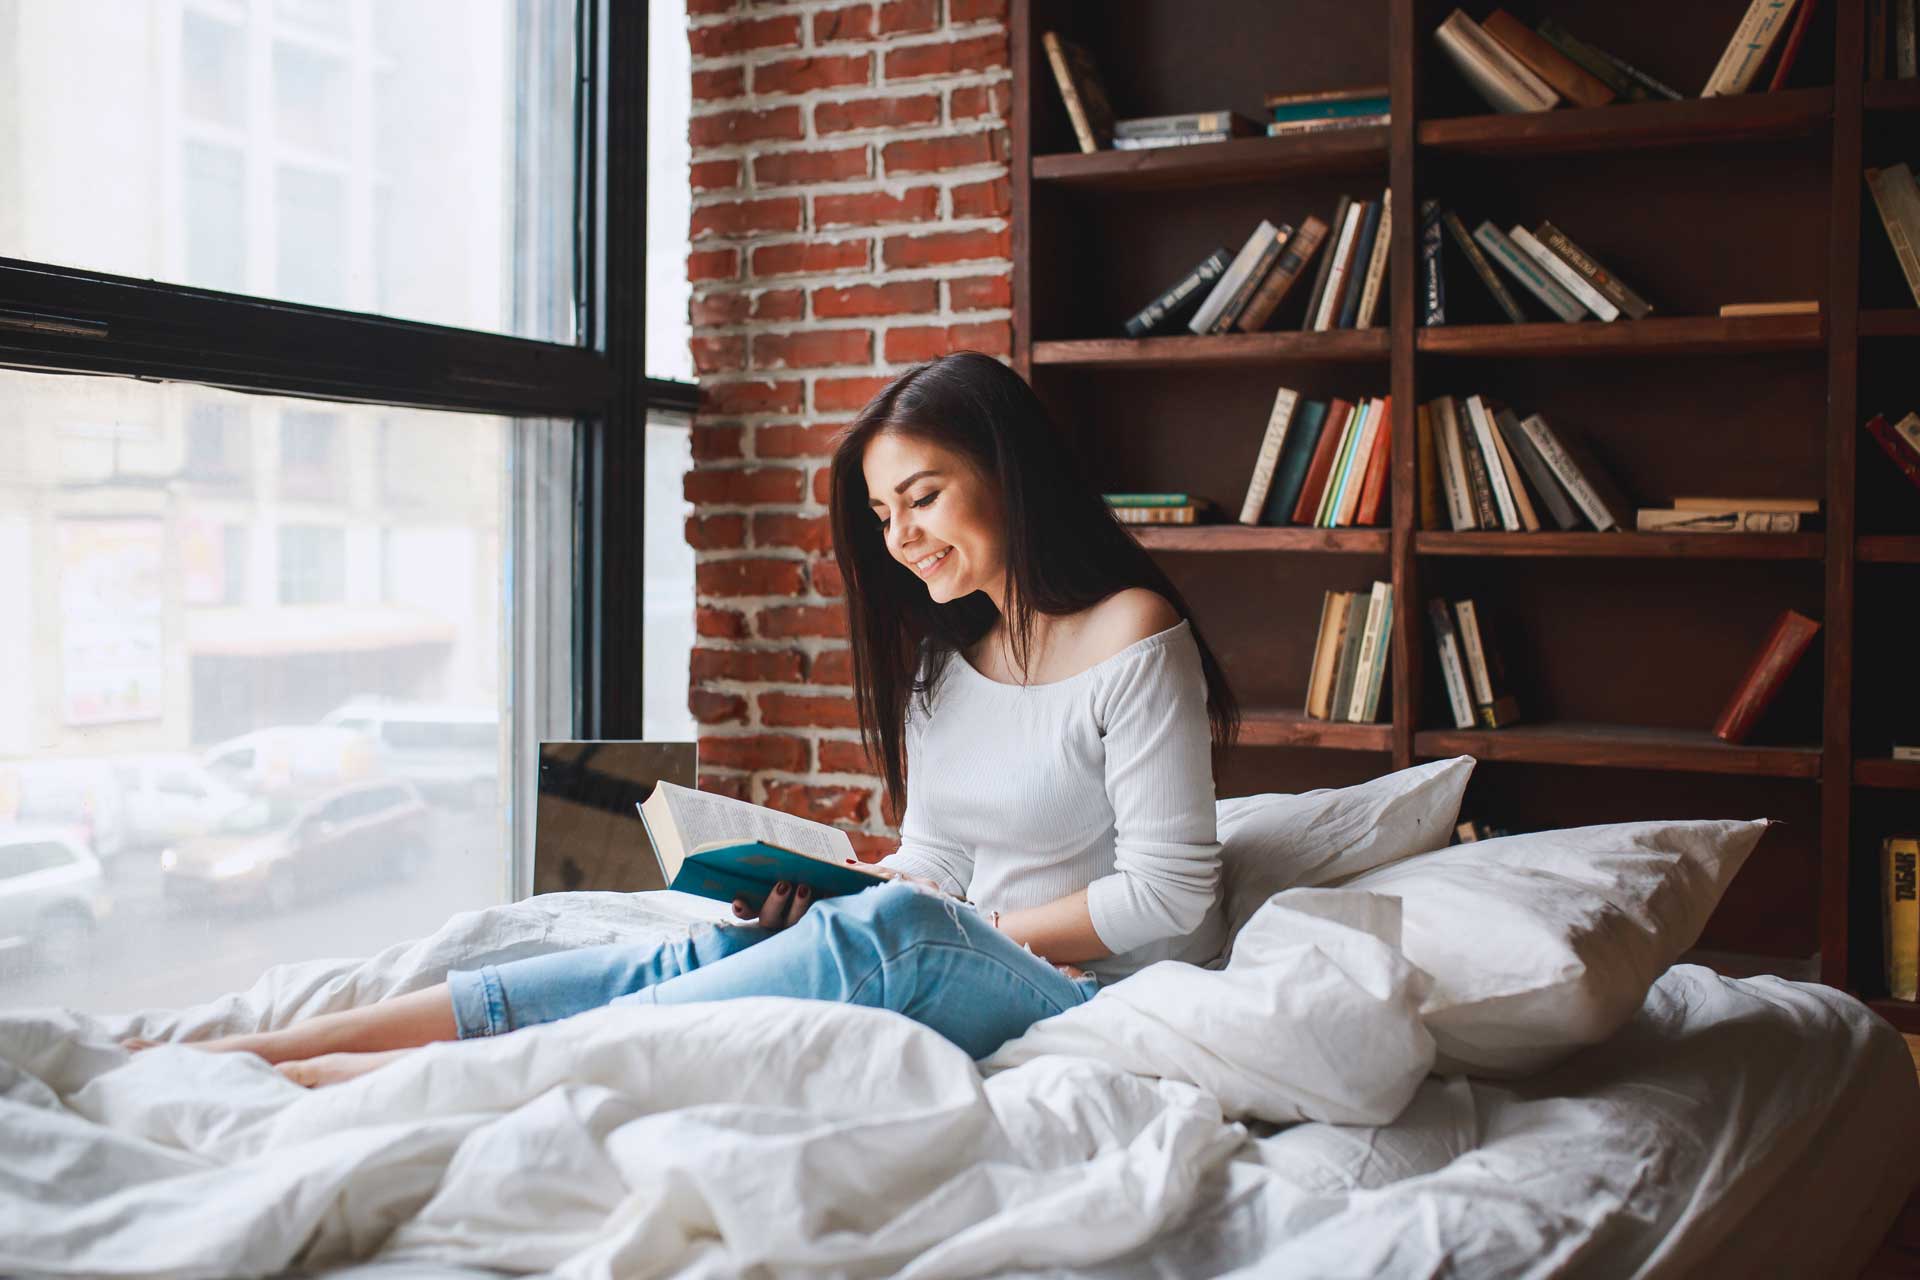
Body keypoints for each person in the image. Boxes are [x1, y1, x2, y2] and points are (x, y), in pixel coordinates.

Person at [133, 351, 1239, 1087]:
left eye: (926, 495)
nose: (900, 535)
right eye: (882, 510)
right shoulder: (945, 656)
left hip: (1078, 982)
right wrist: (846, 887)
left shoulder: (1132, 632)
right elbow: (942, 854)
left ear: (1009, 472)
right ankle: (258, 1049)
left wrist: (927, 917)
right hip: (957, 940)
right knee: (701, 948)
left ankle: (402, 1081)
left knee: (884, 934)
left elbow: (1170, 891)